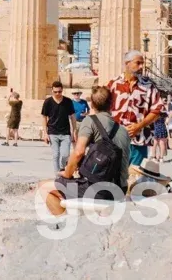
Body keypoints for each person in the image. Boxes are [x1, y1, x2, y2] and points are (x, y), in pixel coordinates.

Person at [38, 85, 131, 216]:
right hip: (120, 189)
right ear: (112, 104)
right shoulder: (123, 130)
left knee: (44, 187)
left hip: (98, 190)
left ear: (92, 104)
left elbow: (78, 152)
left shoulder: (90, 121)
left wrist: (67, 173)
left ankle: (63, 221)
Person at [108, 50, 165, 167]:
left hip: (140, 140)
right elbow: (102, 107)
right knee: (115, 177)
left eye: (142, 63)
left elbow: (157, 110)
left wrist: (139, 126)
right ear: (127, 63)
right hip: (116, 139)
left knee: (135, 178)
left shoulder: (149, 86)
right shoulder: (112, 84)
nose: (141, 67)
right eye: (138, 63)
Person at [41, 80, 76, 173]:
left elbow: (72, 117)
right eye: (55, 92)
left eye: (59, 92)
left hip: (65, 133)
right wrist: (45, 133)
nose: (57, 93)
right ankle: (57, 176)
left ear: (62, 90)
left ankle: (62, 167)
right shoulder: (48, 102)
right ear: (52, 91)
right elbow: (44, 117)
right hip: (52, 132)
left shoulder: (68, 101)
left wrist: (74, 131)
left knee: (65, 155)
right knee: (55, 155)